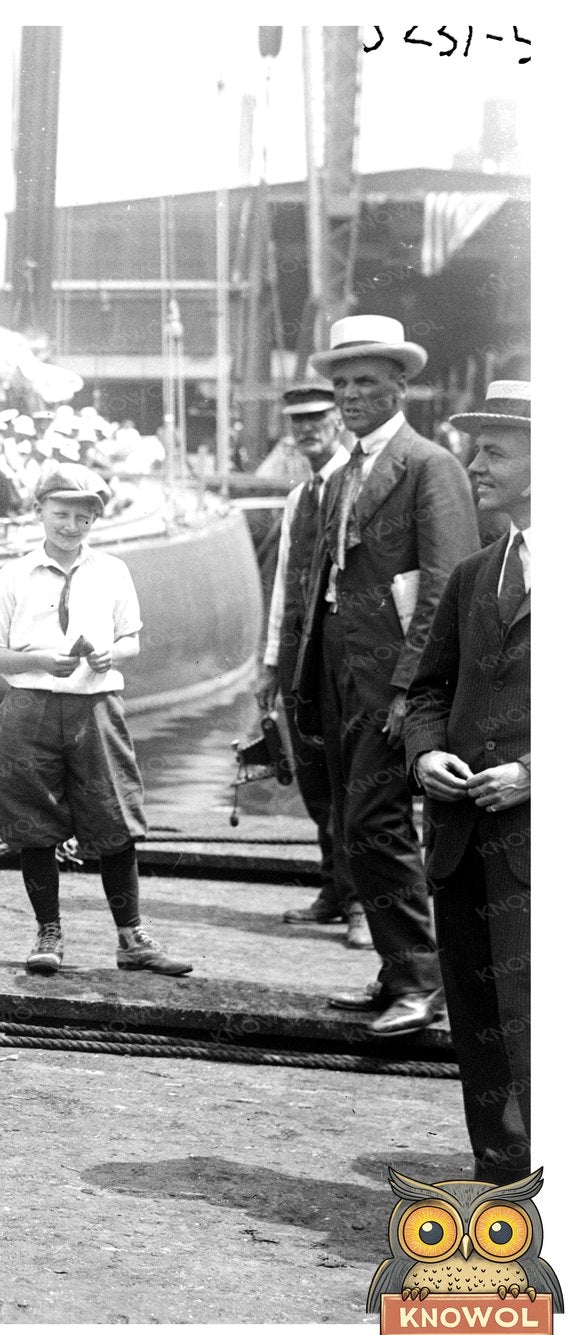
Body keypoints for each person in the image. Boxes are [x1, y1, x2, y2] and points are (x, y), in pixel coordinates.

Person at [292, 315, 478, 1038]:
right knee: (352, 822)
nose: (349, 395)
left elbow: (447, 584)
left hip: (392, 680)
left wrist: (412, 688)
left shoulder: (429, 466)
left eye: (366, 382)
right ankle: (397, 967)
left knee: (377, 822)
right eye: (341, 383)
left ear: (400, 386)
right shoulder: (345, 473)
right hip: (339, 671)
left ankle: (422, 982)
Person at [0, 463, 193, 980]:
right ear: (39, 511)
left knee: (114, 817)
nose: (71, 526)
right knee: (32, 822)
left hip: (95, 707)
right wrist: (39, 661)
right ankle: (48, 932)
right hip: (30, 707)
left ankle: (131, 937)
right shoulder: (13, 574)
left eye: (83, 518)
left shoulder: (112, 571)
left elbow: (131, 639)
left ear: (95, 519)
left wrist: (111, 654)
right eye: (61, 514)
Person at [404, 380, 532, 1182]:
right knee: (481, 1026)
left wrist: (537, 773)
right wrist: (425, 756)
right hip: (462, 846)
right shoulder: (473, 574)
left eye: (494, 452)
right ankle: (503, 1187)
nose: (475, 466)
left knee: (540, 1023)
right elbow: (428, 691)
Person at [257, 382, 364, 947]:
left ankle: (362, 901)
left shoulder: (358, 481)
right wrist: (271, 662)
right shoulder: (300, 496)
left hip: (346, 655)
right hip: (301, 657)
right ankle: (333, 888)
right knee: (317, 779)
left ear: (338, 421)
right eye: (297, 422)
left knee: (354, 782)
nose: (307, 431)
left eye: (317, 419)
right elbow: (283, 584)